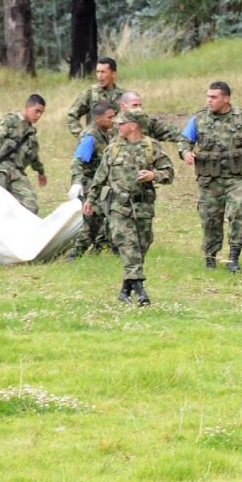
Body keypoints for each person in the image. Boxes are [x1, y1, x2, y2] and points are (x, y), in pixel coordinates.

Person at [178, 81, 242, 273]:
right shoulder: (199, 119)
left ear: (226, 99)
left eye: (214, 97)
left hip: (236, 178)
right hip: (209, 181)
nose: (209, 100)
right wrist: (185, 152)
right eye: (208, 96)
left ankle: (234, 257)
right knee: (210, 219)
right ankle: (210, 257)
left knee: (240, 209)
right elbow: (184, 140)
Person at [83, 109, 174, 305]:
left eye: (122, 123)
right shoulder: (113, 148)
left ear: (133, 125)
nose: (117, 126)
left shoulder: (151, 147)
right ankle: (141, 292)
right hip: (118, 207)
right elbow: (100, 177)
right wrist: (90, 200)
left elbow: (169, 172)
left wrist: (153, 176)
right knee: (128, 245)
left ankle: (125, 290)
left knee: (141, 246)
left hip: (143, 206)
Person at [66, 101, 117, 260]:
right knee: (93, 220)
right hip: (90, 184)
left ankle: (101, 247)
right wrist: (77, 182)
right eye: (110, 117)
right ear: (98, 119)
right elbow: (78, 161)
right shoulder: (90, 136)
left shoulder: (108, 133)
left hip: (103, 183)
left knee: (108, 216)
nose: (113, 120)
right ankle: (75, 254)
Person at [0, 94, 47, 214]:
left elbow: (33, 155)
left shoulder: (31, 133)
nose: (38, 115)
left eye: (41, 113)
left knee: (31, 206)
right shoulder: (9, 121)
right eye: (37, 111)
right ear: (28, 106)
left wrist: (41, 172)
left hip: (17, 173)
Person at [66, 57, 125, 136]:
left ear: (113, 74)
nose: (100, 76)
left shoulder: (123, 95)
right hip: (96, 143)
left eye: (103, 72)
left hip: (117, 143)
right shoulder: (90, 93)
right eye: (98, 72)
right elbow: (72, 115)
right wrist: (82, 135)